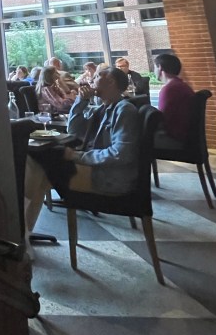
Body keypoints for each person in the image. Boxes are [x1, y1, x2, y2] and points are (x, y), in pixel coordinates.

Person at [24, 66, 141, 235]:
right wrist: (81, 101)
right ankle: (24, 233)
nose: (91, 80)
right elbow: (74, 130)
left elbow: (121, 154)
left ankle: (21, 232)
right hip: (97, 170)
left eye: (97, 77)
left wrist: (76, 156)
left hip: (108, 177)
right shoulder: (102, 108)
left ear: (110, 82)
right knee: (38, 167)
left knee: (36, 165)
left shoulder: (124, 110)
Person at [153, 52, 195, 149]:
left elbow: (161, 120)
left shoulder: (170, 89)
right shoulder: (181, 85)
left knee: (137, 141)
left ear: (160, 67)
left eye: (154, 67)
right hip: (185, 136)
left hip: (175, 139)